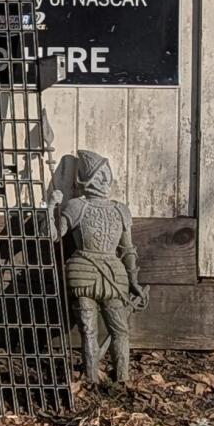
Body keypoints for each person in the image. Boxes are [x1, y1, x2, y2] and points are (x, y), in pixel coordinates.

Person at [61, 152, 144, 385]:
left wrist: (134, 280)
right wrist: (50, 206)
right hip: (84, 274)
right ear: (88, 179)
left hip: (112, 276)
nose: (105, 180)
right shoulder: (76, 206)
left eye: (107, 175)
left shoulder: (120, 209)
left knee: (119, 331)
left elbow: (128, 249)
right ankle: (92, 380)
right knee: (91, 332)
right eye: (101, 175)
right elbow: (52, 234)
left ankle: (122, 380)